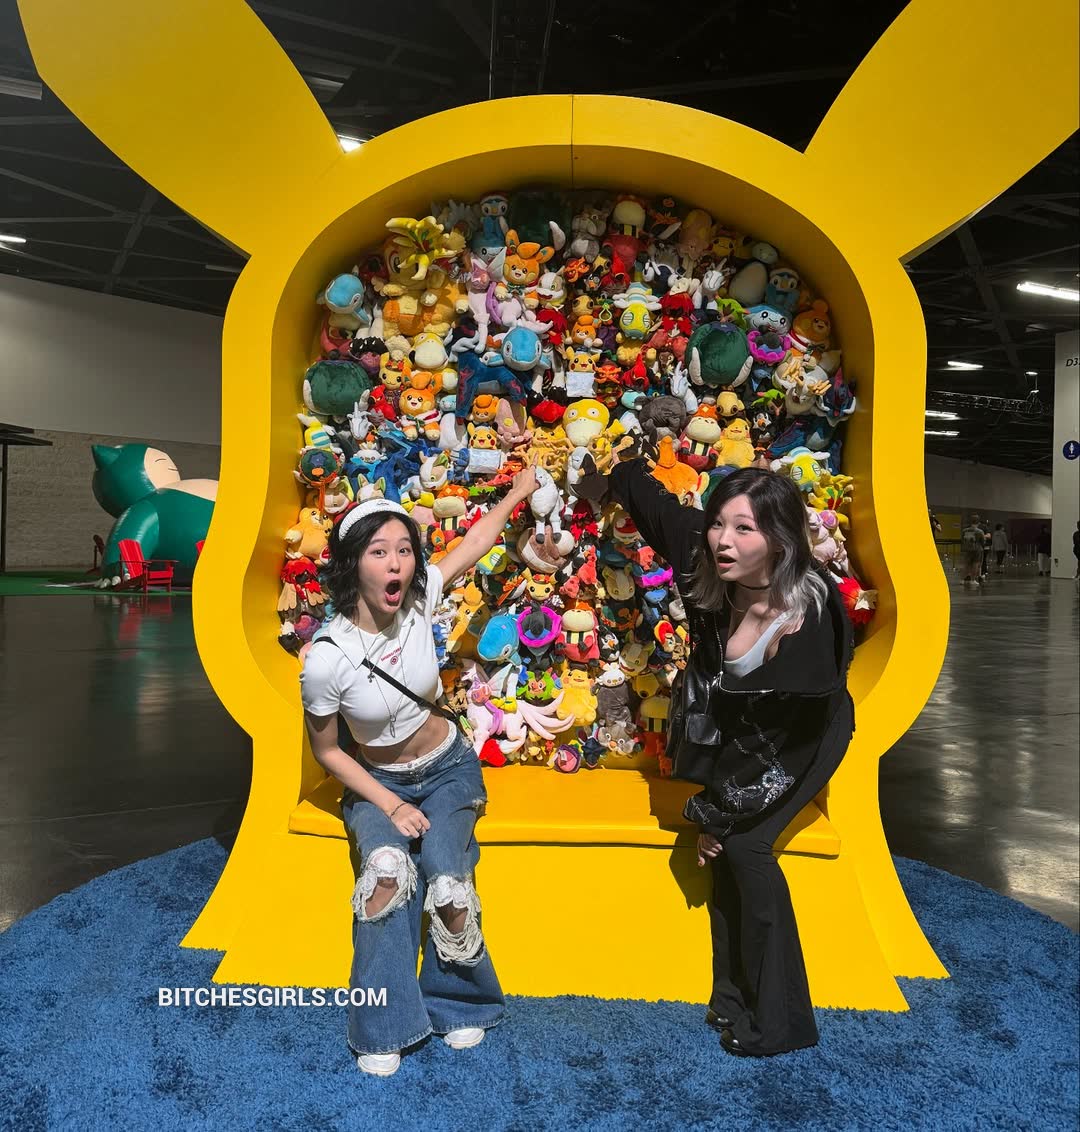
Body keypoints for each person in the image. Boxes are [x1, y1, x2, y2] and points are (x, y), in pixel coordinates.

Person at [609, 459, 854, 1057]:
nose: (723, 539)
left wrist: (717, 815)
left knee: (744, 848)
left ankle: (784, 1022)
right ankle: (732, 998)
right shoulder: (709, 557)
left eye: (745, 529)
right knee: (722, 851)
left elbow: (778, 737)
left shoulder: (807, 617)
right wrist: (616, 472)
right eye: (719, 523)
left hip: (803, 735)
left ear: (781, 539)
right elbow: (654, 505)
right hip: (741, 734)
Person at [300, 468, 538, 1076]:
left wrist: (516, 493)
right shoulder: (326, 659)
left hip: (448, 768)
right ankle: (384, 1024)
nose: (396, 564)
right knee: (385, 874)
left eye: (404, 550)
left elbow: (475, 542)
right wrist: (391, 805)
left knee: (447, 878)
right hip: (378, 784)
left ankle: (460, 1004)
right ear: (353, 563)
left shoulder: (418, 600)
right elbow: (328, 752)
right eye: (379, 552)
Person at [960, 514, 985, 586]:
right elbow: (983, 541)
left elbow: (962, 539)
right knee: (975, 564)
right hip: (977, 550)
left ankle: (963, 579)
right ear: (978, 522)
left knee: (966, 564)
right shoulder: (980, 531)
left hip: (967, 549)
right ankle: (973, 580)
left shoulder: (965, 530)